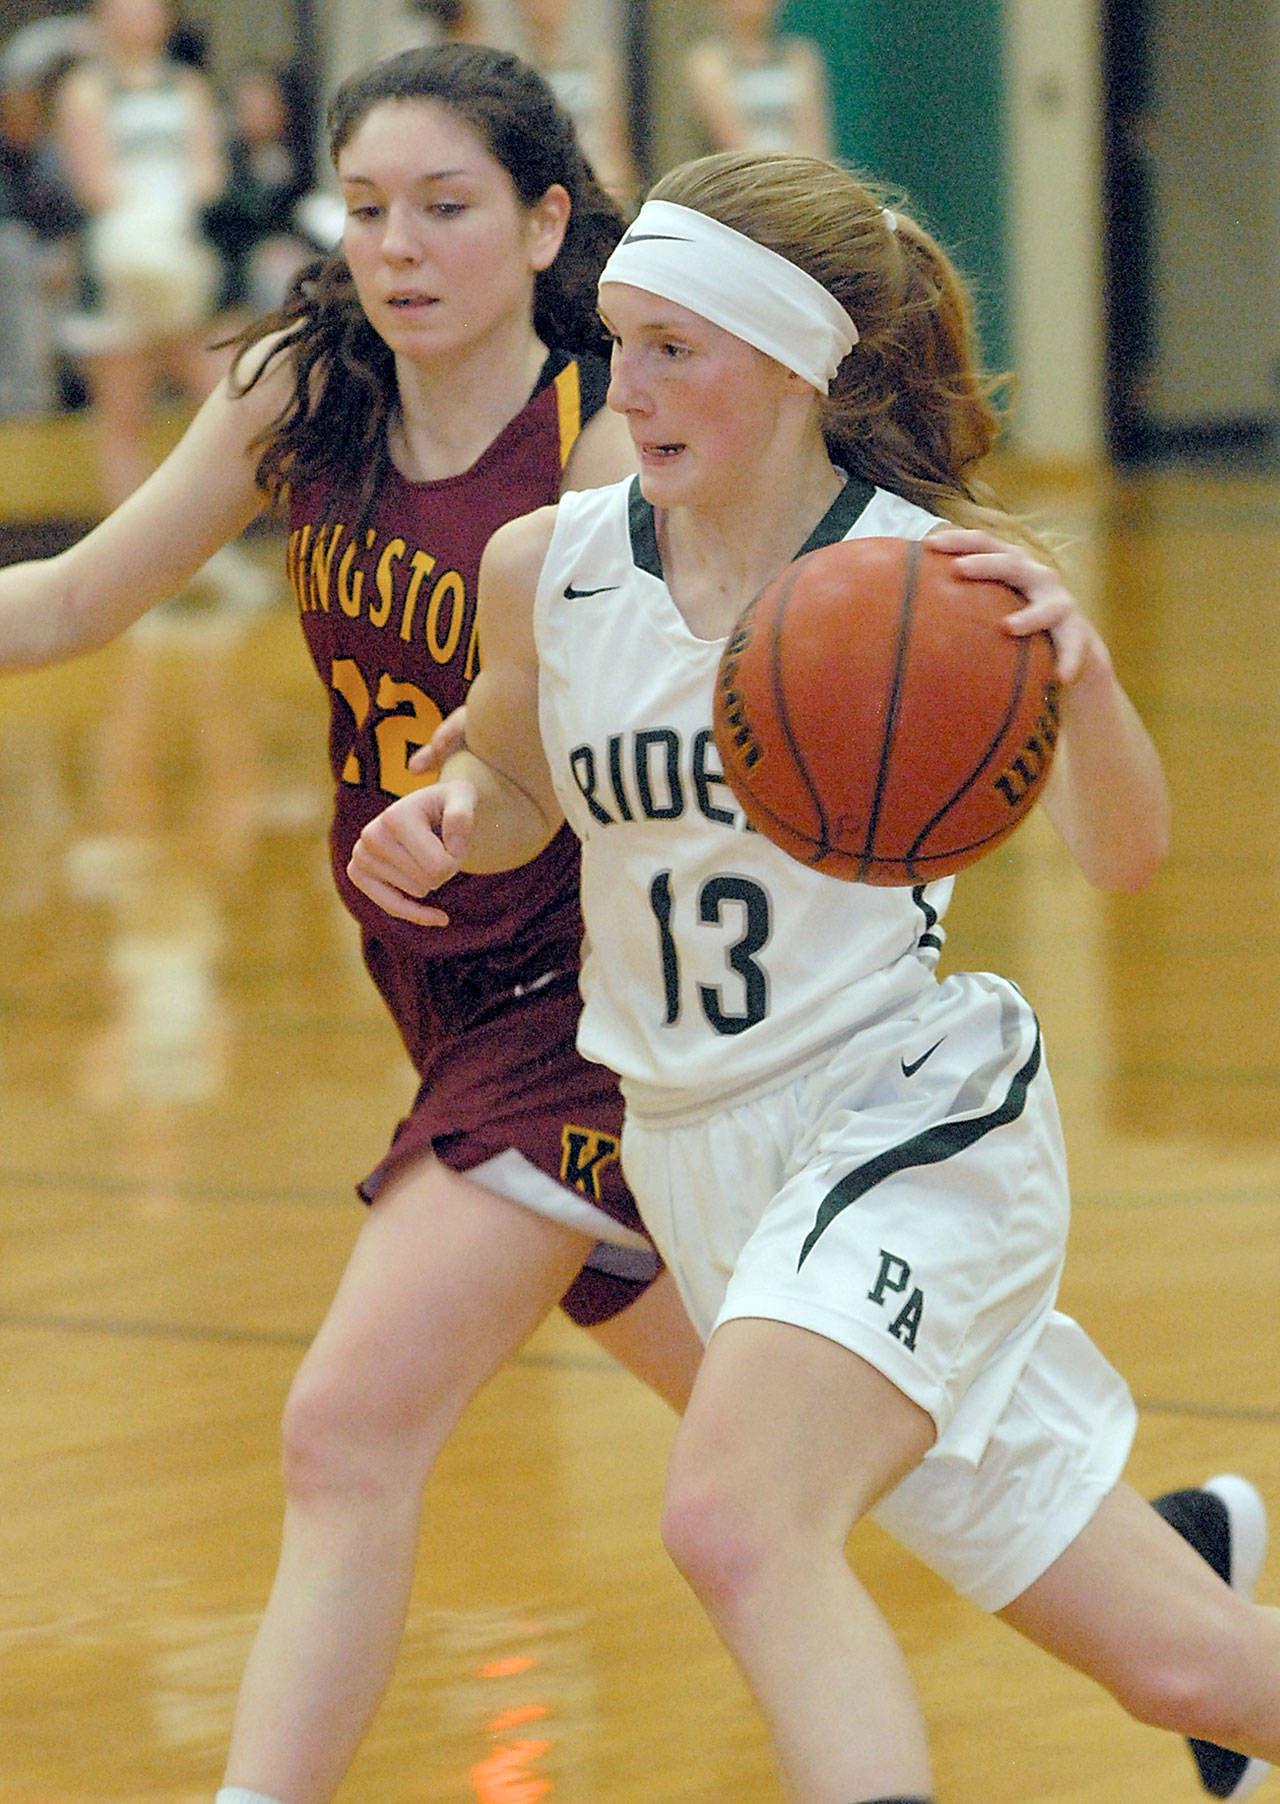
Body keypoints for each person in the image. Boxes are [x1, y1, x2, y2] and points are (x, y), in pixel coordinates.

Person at [348, 147, 1280, 1803]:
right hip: (696, 1156)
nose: (623, 386)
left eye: (672, 349)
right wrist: (448, 823)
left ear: (792, 361)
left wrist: (1094, 668)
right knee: (1188, 1658)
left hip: (906, 1117)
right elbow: (511, 787)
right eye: (617, 342)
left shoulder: (928, 580)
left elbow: (1123, 853)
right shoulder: (547, 568)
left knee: (731, 1515)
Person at [0, 43, 703, 1804]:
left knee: (345, 1427)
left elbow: (588, 731)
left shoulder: (603, 431)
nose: (400, 245)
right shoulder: (302, 385)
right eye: (369, 207)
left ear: (547, 222)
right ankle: (1181, 1565)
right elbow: (80, 593)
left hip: (601, 990)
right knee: (789, 1408)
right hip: (439, 982)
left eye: (447, 207)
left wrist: (466, 796)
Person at [684, 0, 832, 158]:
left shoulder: (799, 56)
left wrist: (810, 176)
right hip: (741, 175)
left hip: (800, 174)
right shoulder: (708, 62)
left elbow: (814, 137)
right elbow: (731, 140)